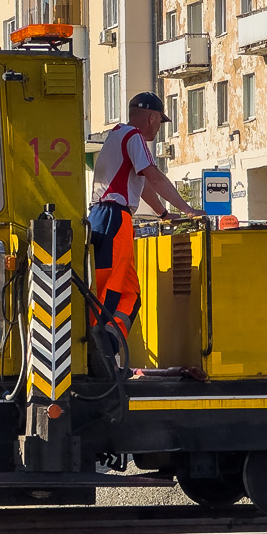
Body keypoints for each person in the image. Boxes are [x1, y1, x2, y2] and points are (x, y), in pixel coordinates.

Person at [88, 91, 201, 347]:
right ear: (152, 117)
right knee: (112, 291)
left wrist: (163, 213)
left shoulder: (117, 135)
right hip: (114, 219)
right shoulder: (134, 136)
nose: (159, 128)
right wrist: (188, 209)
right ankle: (96, 350)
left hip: (106, 217)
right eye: (160, 122)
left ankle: (110, 347)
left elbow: (142, 184)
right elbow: (154, 177)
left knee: (130, 294)